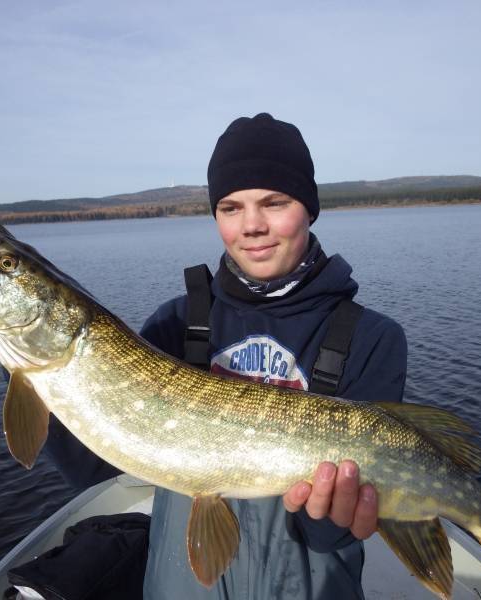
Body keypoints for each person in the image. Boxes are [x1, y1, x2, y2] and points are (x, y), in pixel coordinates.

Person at [44, 112, 407, 599]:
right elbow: (92, 467)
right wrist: (34, 369)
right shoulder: (179, 323)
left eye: (274, 202)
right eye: (231, 207)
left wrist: (338, 514)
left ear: (309, 208)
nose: (252, 225)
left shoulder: (370, 338)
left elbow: (329, 535)